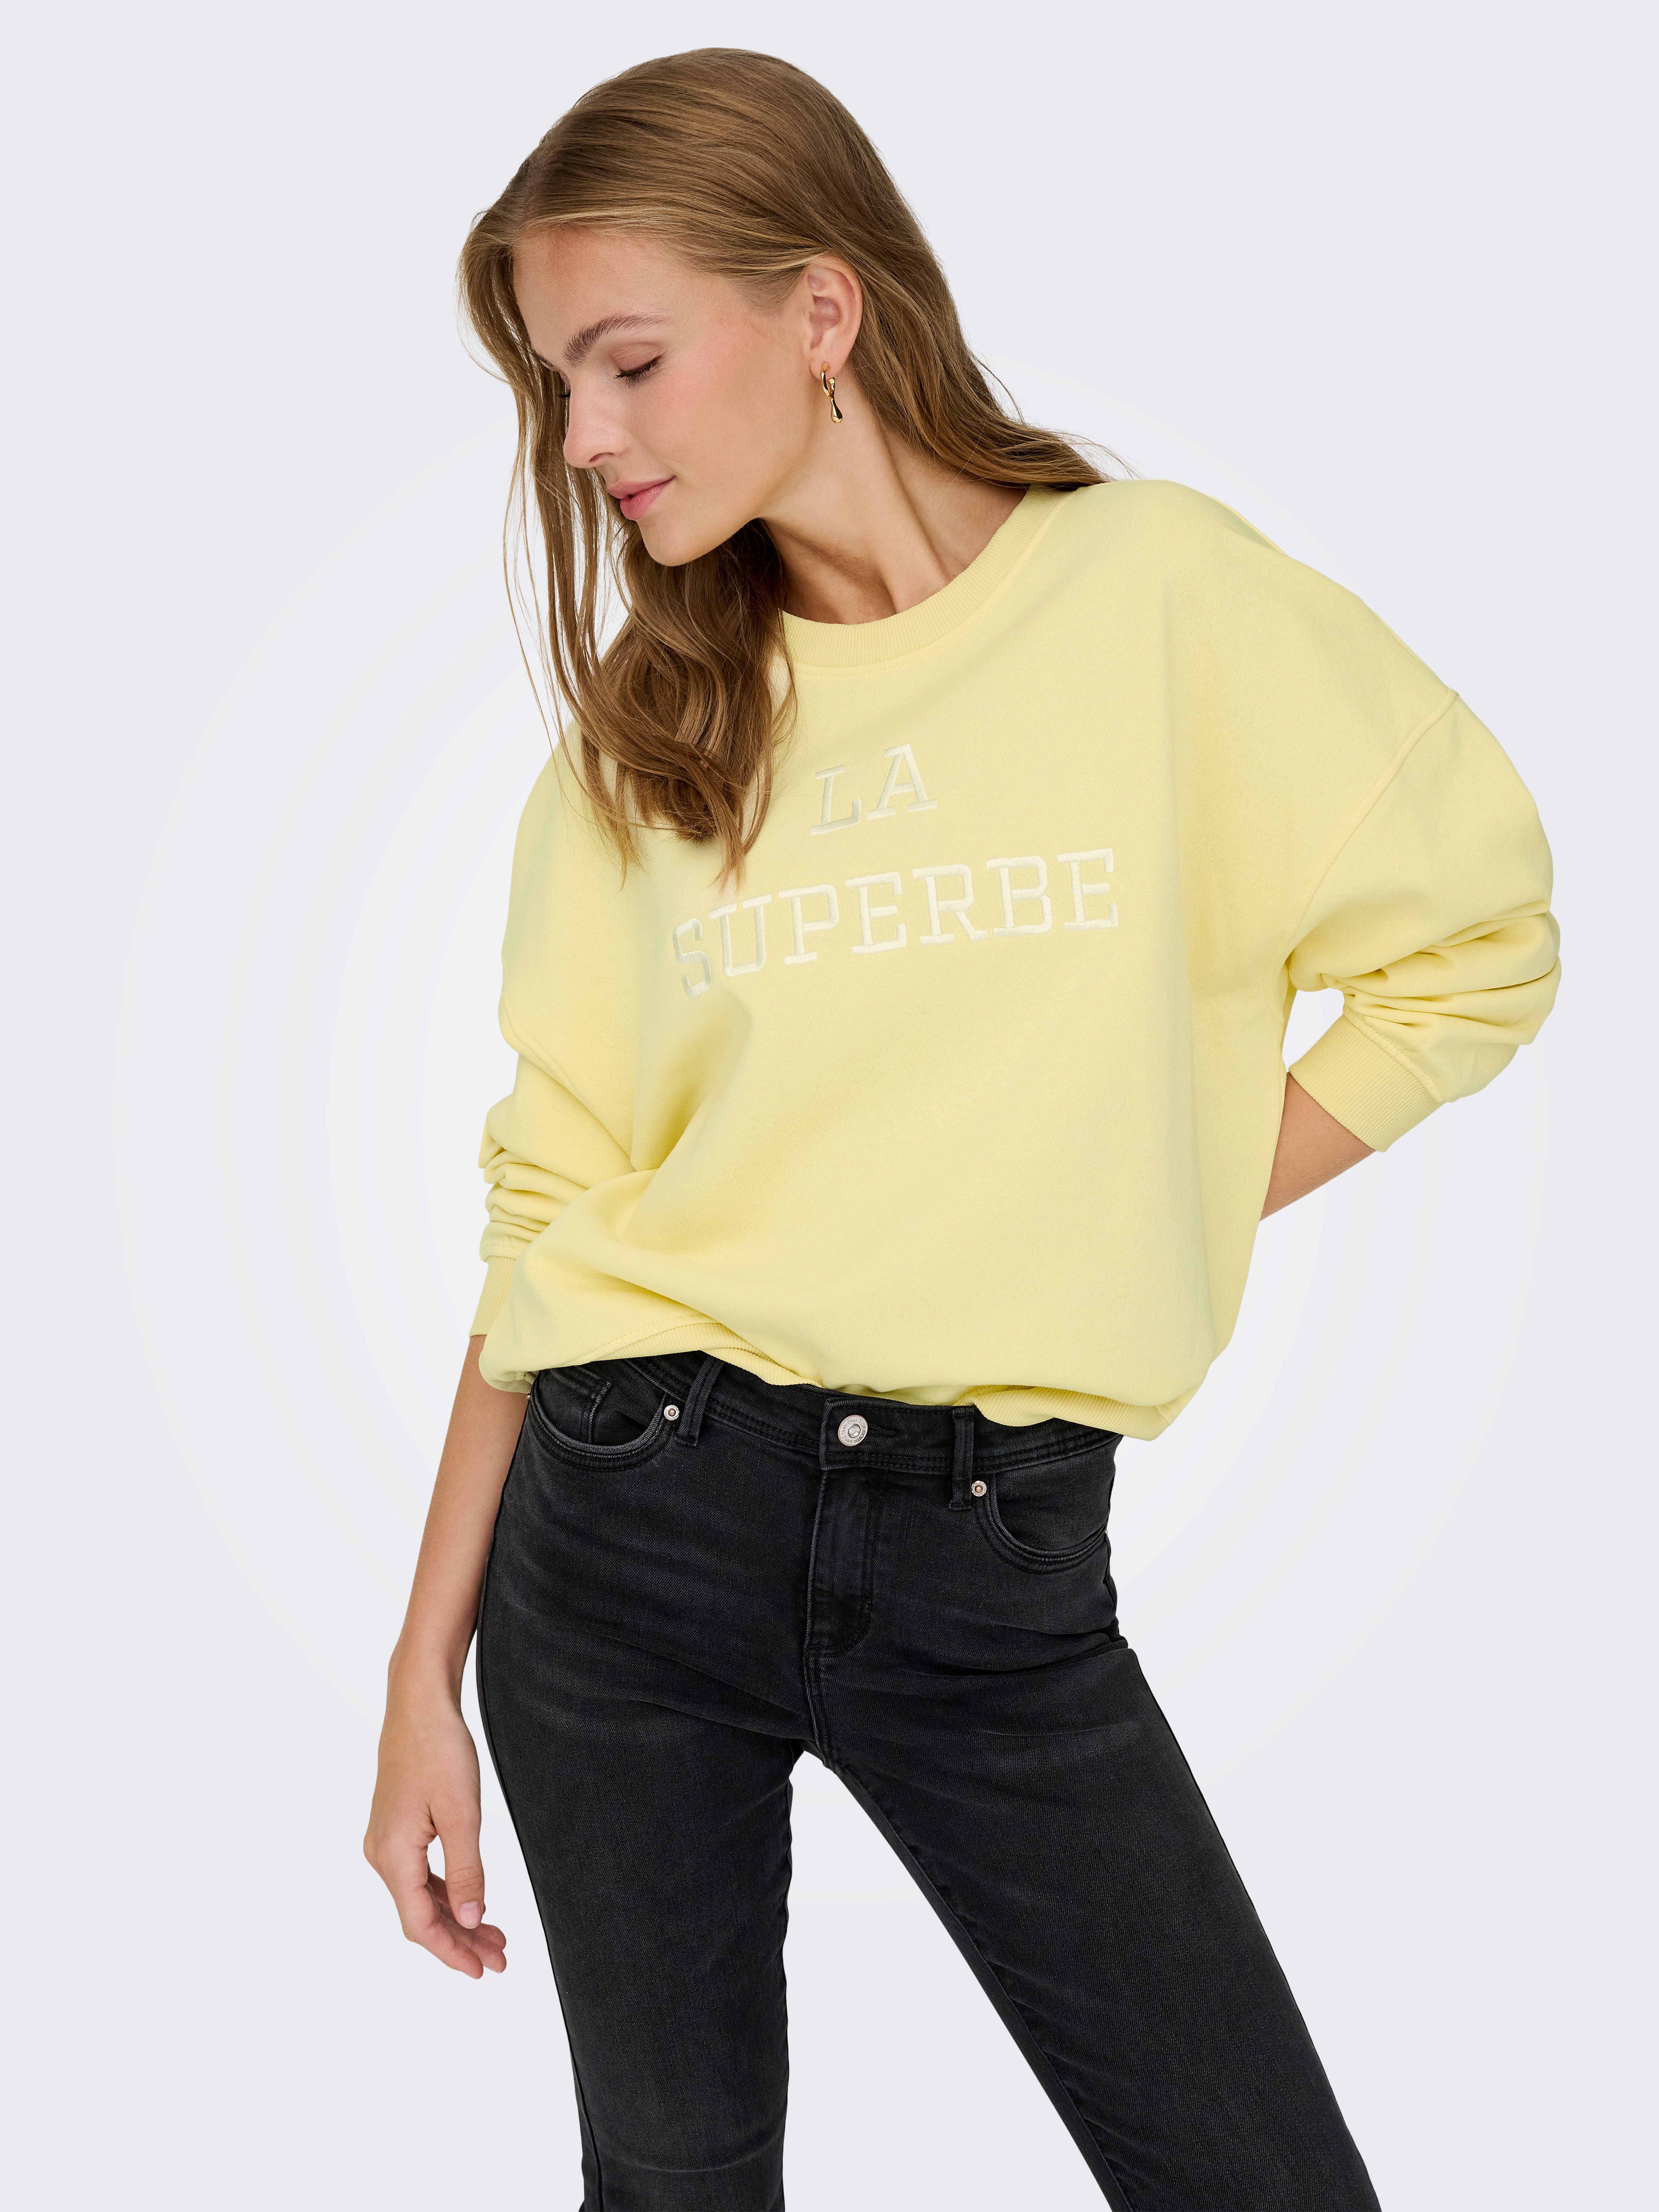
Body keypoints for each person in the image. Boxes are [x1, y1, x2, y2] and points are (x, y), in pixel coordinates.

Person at [364, 47, 1560, 2212]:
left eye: (629, 361)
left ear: (822, 309)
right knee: (676, 2184)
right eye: (556, 388)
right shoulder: (650, 745)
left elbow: (1475, 955)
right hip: (629, 1531)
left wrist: (1152, 1196)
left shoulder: (1164, 601)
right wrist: (415, 1677)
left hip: (994, 1560)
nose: (587, 436)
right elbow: (549, 1207)